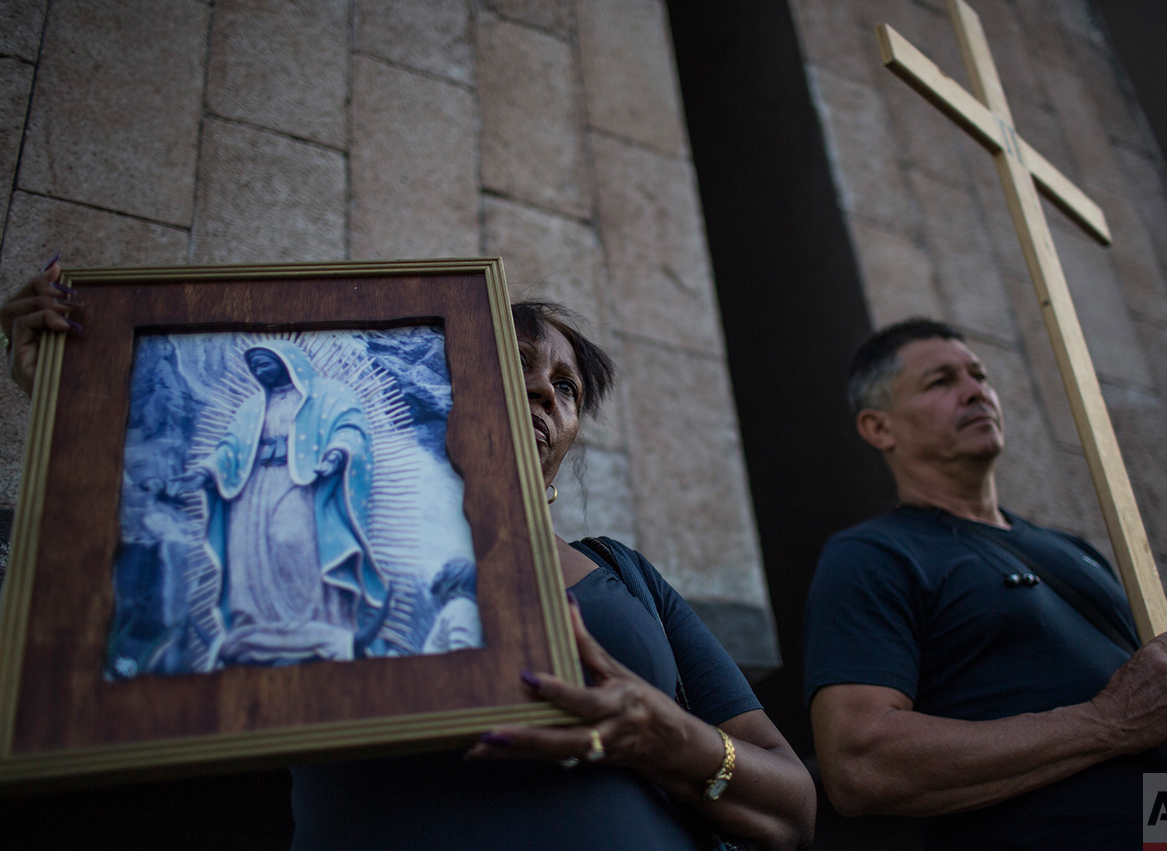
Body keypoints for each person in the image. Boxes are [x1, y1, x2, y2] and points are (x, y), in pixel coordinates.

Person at [2, 259, 816, 851]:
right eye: (514, 360)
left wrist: (667, 737)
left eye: (565, 386)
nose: (541, 391)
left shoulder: (626, 575)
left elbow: (794, 804)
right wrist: (82, 392)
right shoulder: (328, 520)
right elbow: (165, 529)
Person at [805, 317, 1167, 849]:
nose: (976, 391)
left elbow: (1163, 697)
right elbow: (858, 764)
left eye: (979, 375)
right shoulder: (874, 554)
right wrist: (1105, 723)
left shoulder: (1072, 549)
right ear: (879, 428)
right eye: (941, 382)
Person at [167, 341, 387, 668]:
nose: (259, 369)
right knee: (246, 553)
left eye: (265, 362)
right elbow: (229, 449)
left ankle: (317, 623)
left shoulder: (329, 394)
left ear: (289, 361)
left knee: (291, 540)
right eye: (254, 364)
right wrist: (202, 474)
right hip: (251, 489)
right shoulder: (251, 407)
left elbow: (351, 428)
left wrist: (336, 454)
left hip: (301, 484)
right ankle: (255, 628)